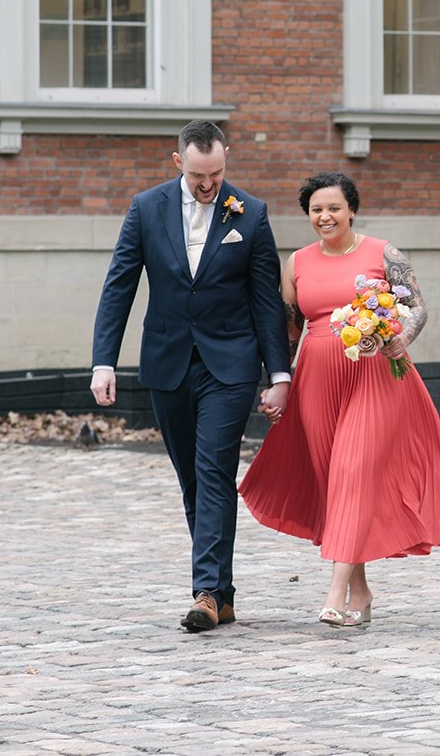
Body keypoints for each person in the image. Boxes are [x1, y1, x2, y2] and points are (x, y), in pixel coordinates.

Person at [90, 120, 291, 633]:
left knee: (215, 471)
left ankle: (203, 591)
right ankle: (222, 594)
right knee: (193, 481)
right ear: (179, 162)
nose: (210, 185)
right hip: (168, 361)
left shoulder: (253, 213)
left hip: (231, 364)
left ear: (226, 159)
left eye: (218, 173)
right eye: (200, 175)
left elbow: (266, 301)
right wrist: (103, 361)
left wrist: (280, 373)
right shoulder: (146, 207)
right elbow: (120, 285)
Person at [239, 171, 440, 626]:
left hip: (376, 379)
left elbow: (417, 306)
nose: (325, 216)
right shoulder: (296, 263)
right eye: (316, 209)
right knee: (335, 483)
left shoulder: (382, 252)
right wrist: (279, 381)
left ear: (351, 209)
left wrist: (402, 337)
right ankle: (362, 591)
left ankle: (334, 597)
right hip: (317, 382)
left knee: (354, 471)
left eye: (334, 207)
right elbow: (290, 329)